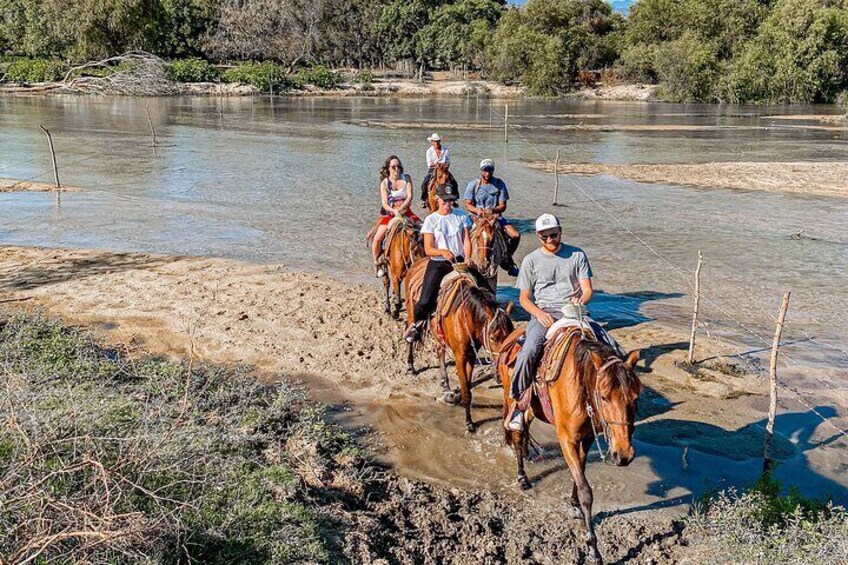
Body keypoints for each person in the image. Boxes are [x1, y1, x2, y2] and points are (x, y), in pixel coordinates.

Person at [505, 213, 625, 431]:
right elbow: (523, 298)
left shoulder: (577, 255)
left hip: (575, 312)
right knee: (529, 349)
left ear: (560, 232)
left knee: (614, 348)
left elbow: (587, 289)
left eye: (553, 235)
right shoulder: (530, 260)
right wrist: (539, 313)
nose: (550, 240)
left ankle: (621, 398)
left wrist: (580, 301)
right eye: (544, 237)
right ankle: (518, 404)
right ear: (538, 237)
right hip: (545, 312)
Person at [404, 183, 486, 343]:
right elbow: (428, 249)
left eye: (450, 201)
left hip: (460, 262)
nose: (448, 204)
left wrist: (468, 257)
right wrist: (442, 252)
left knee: (485, 290)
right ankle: (416, 325)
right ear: (438, 199)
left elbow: (466, 240)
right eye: (445, 201)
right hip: (439, 263)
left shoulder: (462, 216)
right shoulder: (431, 220)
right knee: (425, 299)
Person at [464, 158, 521, 277]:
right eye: (485, 171)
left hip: (495, 217)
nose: (487, 173)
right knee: (461, 233)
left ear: (493, 171)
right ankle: (462, 258)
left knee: (515, 235)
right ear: (481, 171)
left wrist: (493, 210)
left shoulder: (500, 184)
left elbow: (503, 206)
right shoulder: (473, 185)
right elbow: (468, 204)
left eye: (489, 171)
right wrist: (477, 210)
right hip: (477, 216)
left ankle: (507, 259)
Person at [372, 155, 421, 278]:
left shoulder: (407, 178)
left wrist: (402, 207)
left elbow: (409, 196)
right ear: (388, 168)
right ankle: (377, 263)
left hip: (406, 211)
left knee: (425, 228)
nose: (396, 169)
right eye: (393, 167)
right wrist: (394, 211)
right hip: (390, 213)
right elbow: (384, 203)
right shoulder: (385, 183)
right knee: (377, 238)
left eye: (399, 166)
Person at [420, 133, 458, 205]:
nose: (436, 143)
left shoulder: (445, 150)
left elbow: (448, 161)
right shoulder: (429, 151)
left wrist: (444, 165)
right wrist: (437, 164)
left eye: (437, 141)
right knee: (424, 182)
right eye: (434, 141)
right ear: (432, 142)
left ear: (440, 141)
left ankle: (455, 199)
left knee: (454, 182)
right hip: (433, 169)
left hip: (444, 169)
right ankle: (424, 200)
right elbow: (429, 164)